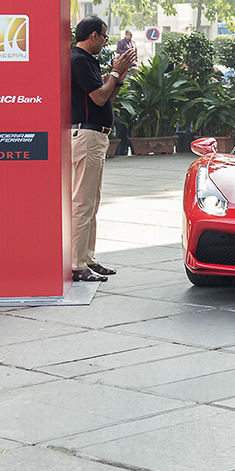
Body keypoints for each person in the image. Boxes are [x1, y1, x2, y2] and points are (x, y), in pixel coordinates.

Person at [71, 16, 135, 283]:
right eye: (105, 37)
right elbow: (98, 97)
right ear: (94, 36)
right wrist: (116, 72)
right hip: (86, 135)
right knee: (82, 202)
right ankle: (76, 264)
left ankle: (87, 257)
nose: (106, 42)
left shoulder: (88, 61)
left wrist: (117, 76)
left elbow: (108, 94)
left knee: (92, 201)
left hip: (96, 136)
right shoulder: (79, 60)